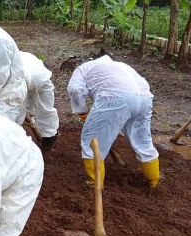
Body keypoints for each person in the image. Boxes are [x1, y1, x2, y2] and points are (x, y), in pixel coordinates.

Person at [67, 53, 159, 188]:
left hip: (114, 97)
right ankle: (153, 180)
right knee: (143, 140)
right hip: (144, 98)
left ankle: (95, 183)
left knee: (92, 141)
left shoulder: (83, 69)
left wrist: (82, 112)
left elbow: (75, 89)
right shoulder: (121, 65)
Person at [20, 51, 59, 150]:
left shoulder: (21, 58)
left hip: (35, 81)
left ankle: (47, 140)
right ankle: (48, 139)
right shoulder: (29, 57)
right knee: (45, 110)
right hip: (31, 81)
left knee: (17, 113)